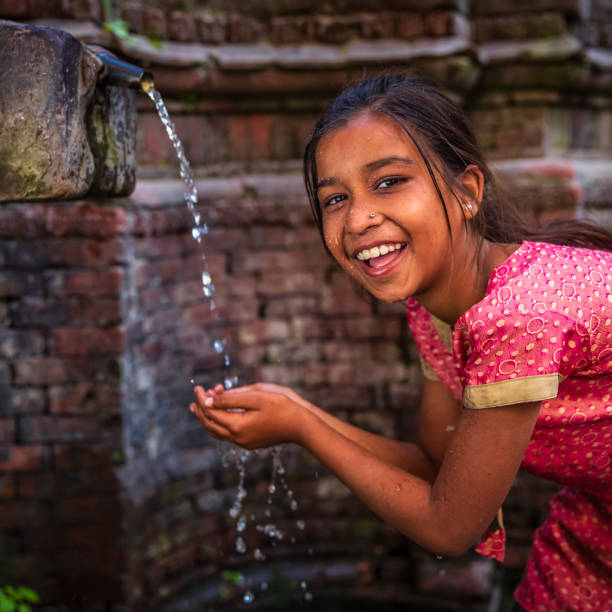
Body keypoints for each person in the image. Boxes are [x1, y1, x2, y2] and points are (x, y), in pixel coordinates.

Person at [189, 74, 612, 612]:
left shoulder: (518, 316)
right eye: (336, 198)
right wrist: (296, 413)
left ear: (467, 192)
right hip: (595, 526)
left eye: (388, 182)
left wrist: (301, 427)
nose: (359, 218)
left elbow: (449, 526)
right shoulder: (434, 311)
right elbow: (438, 470)